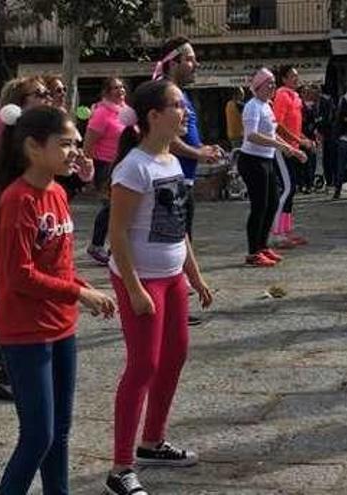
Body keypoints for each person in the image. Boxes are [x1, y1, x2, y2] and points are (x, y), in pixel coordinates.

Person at [0, 104, 115, 494]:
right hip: (25, 331)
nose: (75, 151)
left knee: (59, 433)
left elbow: (58, 265)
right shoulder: (17, 200)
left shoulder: (58, 193)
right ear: (33, 147)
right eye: (65, 144)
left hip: (61, 327)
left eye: (76, 143)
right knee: (37, 437)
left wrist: (83, 289)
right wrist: (80, 293)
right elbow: (20, 275)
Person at [104, 79, 214, 495]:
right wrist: (133, 288)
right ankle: (120, 468)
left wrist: (195, 275)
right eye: (177, 105)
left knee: (175, 356)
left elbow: (178, 227)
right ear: (153, 116)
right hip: (141, 279)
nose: (184, 112)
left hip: (171, 277)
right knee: (142, 366)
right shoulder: (133, 167)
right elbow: (117, 233)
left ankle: (152, 441)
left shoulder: (170, 160)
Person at [0, 76, 53, 400]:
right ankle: (7, 373)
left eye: (47, 92)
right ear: (18, 102)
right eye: (38, 94)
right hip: (13, 212)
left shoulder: (41, 132)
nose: (47, 97)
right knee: (14, 289)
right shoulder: (9, 135)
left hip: (40, 212)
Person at [154, 37, 221, 327]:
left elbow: (185, 133)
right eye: (190, 59)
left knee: (183, 240)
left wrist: (204, 149)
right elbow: (169, 135)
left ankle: (176, 302)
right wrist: (198, 153)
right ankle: (171, 306)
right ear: (174, 62)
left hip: (184, 179)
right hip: (171, 179)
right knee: (174, 241)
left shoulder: (180, 93)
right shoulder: (165, 93)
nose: (196, 64)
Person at [238, 68, 307, 267]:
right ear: (258, 86)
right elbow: (251, 135)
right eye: (269, 84)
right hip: (252, 160)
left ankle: (263, 246)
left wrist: (292, 150)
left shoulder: (266, 106)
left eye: (274, 84)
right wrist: (280, 146)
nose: (273, 87)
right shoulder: (253, 106)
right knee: (259, 206)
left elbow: (273, 132)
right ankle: (253, 252)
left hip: (266, 159)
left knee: (272, 203)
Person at [85, 77, 130, 265]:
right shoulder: (102, 113)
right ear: (106, 92)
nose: (120, 90)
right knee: (112, 207)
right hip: (106, 165)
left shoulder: (126, 111)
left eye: (122, 87)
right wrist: (87, 169)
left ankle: (118, 247)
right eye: (115, 88)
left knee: (126, 207)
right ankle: (96, 245)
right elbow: (88, 144)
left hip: (125, 163)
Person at [271, 65, 312, 248]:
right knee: (287, 188)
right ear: (284, 79)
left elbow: (294, 126)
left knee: (292, 188)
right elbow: (278, 126)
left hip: (293, 148)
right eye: (293, 76)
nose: (297, 79)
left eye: (297, 75)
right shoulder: (281, 95)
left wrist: (304, 139)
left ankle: (286, 230)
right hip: (283, 149)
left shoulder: (295, 97)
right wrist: (299, 142)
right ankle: (276, 232)